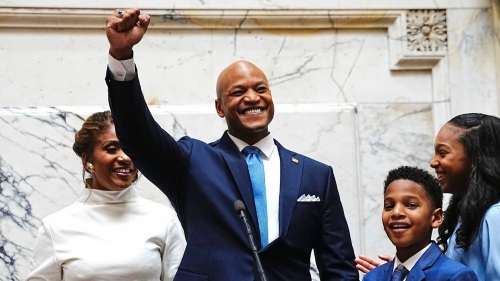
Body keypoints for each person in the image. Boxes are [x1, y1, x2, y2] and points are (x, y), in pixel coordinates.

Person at [104, 8, 358, 281]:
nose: (252, 98)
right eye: (238, 92)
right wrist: (122, 57)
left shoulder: (316, 175)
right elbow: (139, 136)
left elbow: (339, 268)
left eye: (260, 89)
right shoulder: (193, 162)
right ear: (219, 108)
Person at [25, 111, 186, 281]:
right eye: (111, 149)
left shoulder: (164, 220)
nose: (124, 157)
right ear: (87, 160)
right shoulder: (55, 227)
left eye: (130, 148)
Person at [356, 113, 500, 281]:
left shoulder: (495, 216)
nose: (433, 162)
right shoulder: (466, 214)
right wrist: (404, 273)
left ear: (475, 158)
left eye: (443, 153)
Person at [363, 166, 477, 281]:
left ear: (436, 218)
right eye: (389, 206)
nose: (396, 212)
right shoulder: (372, 277)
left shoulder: (455, 276)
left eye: (411, 205)